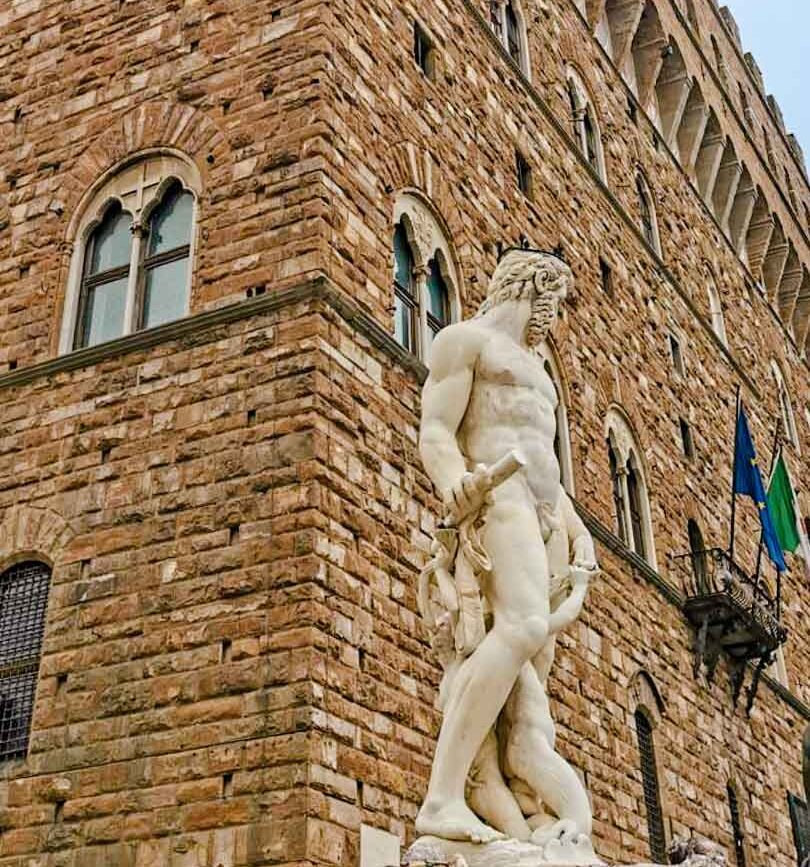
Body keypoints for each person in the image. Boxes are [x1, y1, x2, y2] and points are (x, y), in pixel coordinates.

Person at [415, 248, 598, 845]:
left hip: (545, 518)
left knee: (529, 686)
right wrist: (454, 483)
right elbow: (437, 431)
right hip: (500, 497)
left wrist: (576, 531)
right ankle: (442, 797)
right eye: (555, 304)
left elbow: (547, 458)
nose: (556, 317)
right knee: (519, 629)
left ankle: (524, 822)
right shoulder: (464, 341)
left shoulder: (539, 370)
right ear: (535, 291)